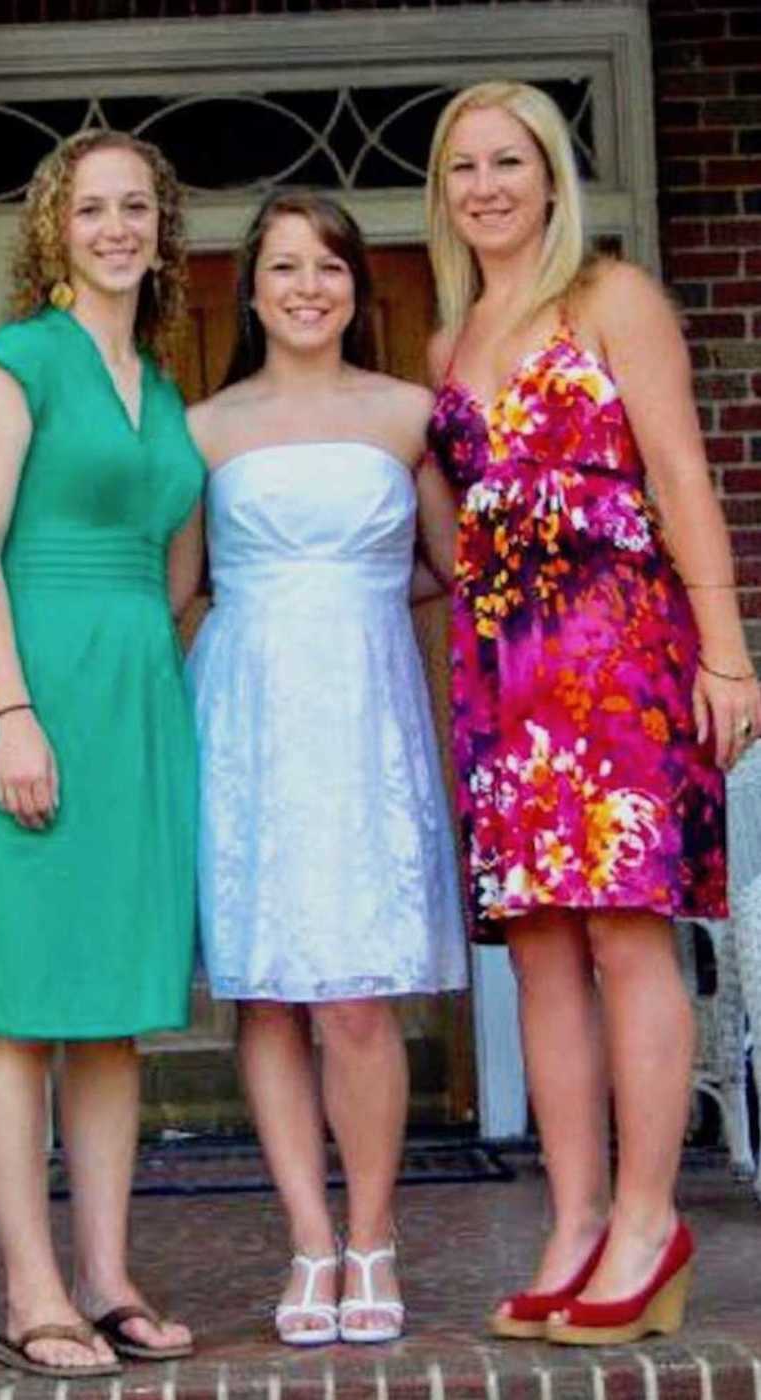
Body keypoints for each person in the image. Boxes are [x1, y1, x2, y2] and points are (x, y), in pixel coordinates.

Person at [424, 79, 761, 1346]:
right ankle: (570, 1223)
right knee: (544, 955)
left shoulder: (611, 300)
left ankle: (645, 1218)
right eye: (463, 169)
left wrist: (726, 655)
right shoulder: (448, 340)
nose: (487, 188)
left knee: (627, 937)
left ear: (553, 178)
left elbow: (681, 472)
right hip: (504, 679)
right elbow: (454, 531)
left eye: (509, 163)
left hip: (618, 656)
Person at [0, 129, 204, 1378]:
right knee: (23, 1008)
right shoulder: (19, 363)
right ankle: (28, 1286)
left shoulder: (154, 379)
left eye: (136, 206)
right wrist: (12, 712)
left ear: (162, 226)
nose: (116, 227)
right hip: (37, 695)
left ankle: (103, 1275)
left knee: (110, 1014)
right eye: (92, 207)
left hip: (137, 704)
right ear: (56, 226)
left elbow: (177, 561)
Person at [186, 191, 468, 1346]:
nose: (309, 287)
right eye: (286, 268)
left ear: (358, 285)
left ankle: (373, 1234)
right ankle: (308, 1239)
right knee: (267, 987)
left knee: (355, 992)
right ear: (251, 289)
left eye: (332, 268)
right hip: (249, 713)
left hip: (364, 714)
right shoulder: (203, 428)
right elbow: (178, 589)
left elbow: (452, 565)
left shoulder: (411, 414)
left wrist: (346, 607)